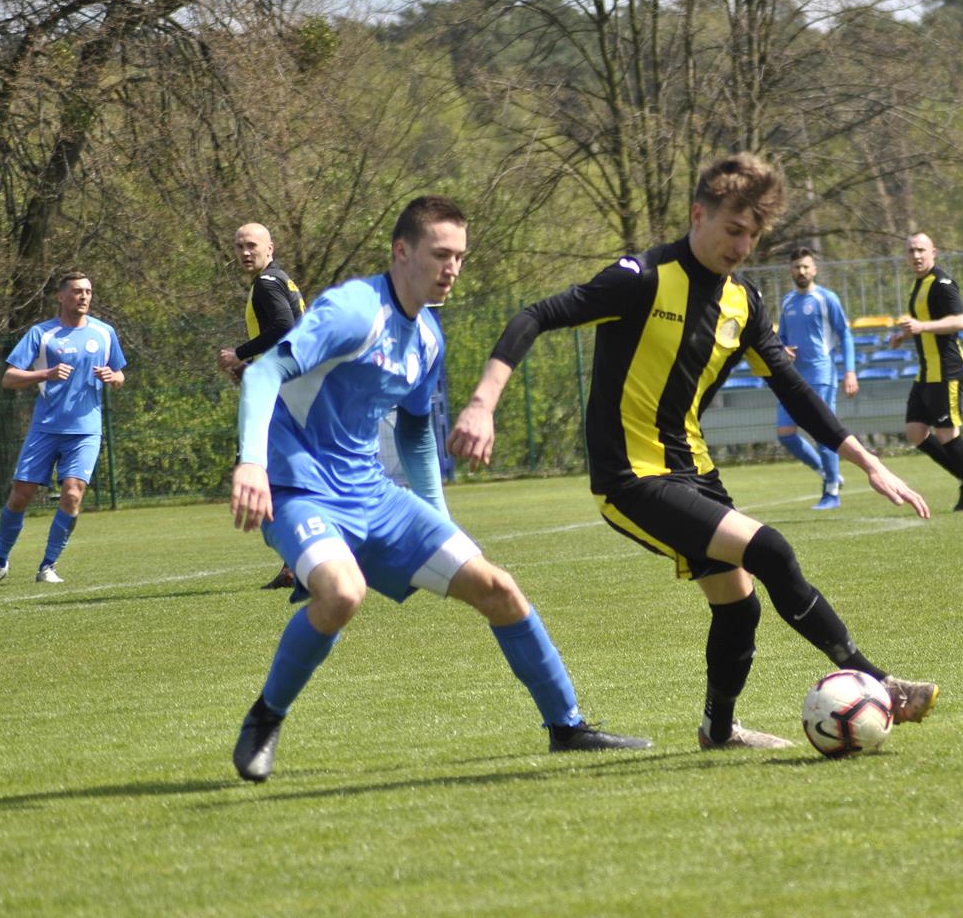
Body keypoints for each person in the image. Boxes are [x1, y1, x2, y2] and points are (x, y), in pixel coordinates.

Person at [448, 154, 940, 751]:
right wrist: (481, 402)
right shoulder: (642, 278)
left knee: (739, 608)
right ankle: (881, 683)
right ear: (698, 215)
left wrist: (870, 463)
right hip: (630, 479)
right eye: (734, 230)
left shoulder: (745, 304)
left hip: (693, 472)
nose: (742, 246)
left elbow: (795, 390)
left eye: (753, 236)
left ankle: (719, 730)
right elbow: (537, 315)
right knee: (773, 551)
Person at [227, 196, 650, 783]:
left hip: (373, 495)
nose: (452, 268)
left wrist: (438, 517)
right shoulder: (355, 310)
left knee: (499, 588)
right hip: (297, 486)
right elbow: (266, 370)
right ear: (402, 252)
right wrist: (250, 463)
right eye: (440, 254)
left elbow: (417, 434)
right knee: (342, 594)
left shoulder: (427, 337)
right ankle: (267, 715)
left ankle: (567, 728)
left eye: (460, 257)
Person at [0, 273, 126, 585]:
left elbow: (121, 375)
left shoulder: (104, 333)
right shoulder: (42, 334)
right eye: (77, 291)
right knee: (20, 496)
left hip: (85, 430)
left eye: (88, 291)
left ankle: (47, 566)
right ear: (61, 296)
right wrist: (46, 374)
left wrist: (113, 377)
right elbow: (9, 378)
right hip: (45, 429)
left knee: (72, 494)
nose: (83, 296)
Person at [219, 222, 307, 590]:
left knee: (261, 476)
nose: (244, 252)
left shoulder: (267, 284)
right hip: (293, 387)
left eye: (252, 245)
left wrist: (239, 354)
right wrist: (254, 368)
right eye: (239, 246)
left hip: (283, 394)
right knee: (282, 477)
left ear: (270, 247)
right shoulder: (281, 281)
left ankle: (303, 559)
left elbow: (284, 327)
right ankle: (296, 562)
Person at [888, 232, 963, 512]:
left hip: (946, 370)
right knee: (915, 432)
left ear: (934, 252)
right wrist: (903, 336)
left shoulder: (942, 283)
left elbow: (960, 321)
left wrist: (921, 327)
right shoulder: (920, 284)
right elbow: (925, 323)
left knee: (947, 433)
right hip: (926, 373)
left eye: (921, 250)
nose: (916, 255)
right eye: (911, 251)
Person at [776, 246, 858, 509]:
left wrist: (850, 371)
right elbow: (782, 339)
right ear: (791, 270)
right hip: (792, 378)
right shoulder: (788, 302)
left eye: (806, 267)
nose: (801, 271)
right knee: (785, 433)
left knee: (823, 433)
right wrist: (783, 350)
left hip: (821, 373)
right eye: (797, 267)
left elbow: (844, 334)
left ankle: (832, 492)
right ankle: (826, 473)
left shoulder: (826, 299)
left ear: (814, 269)